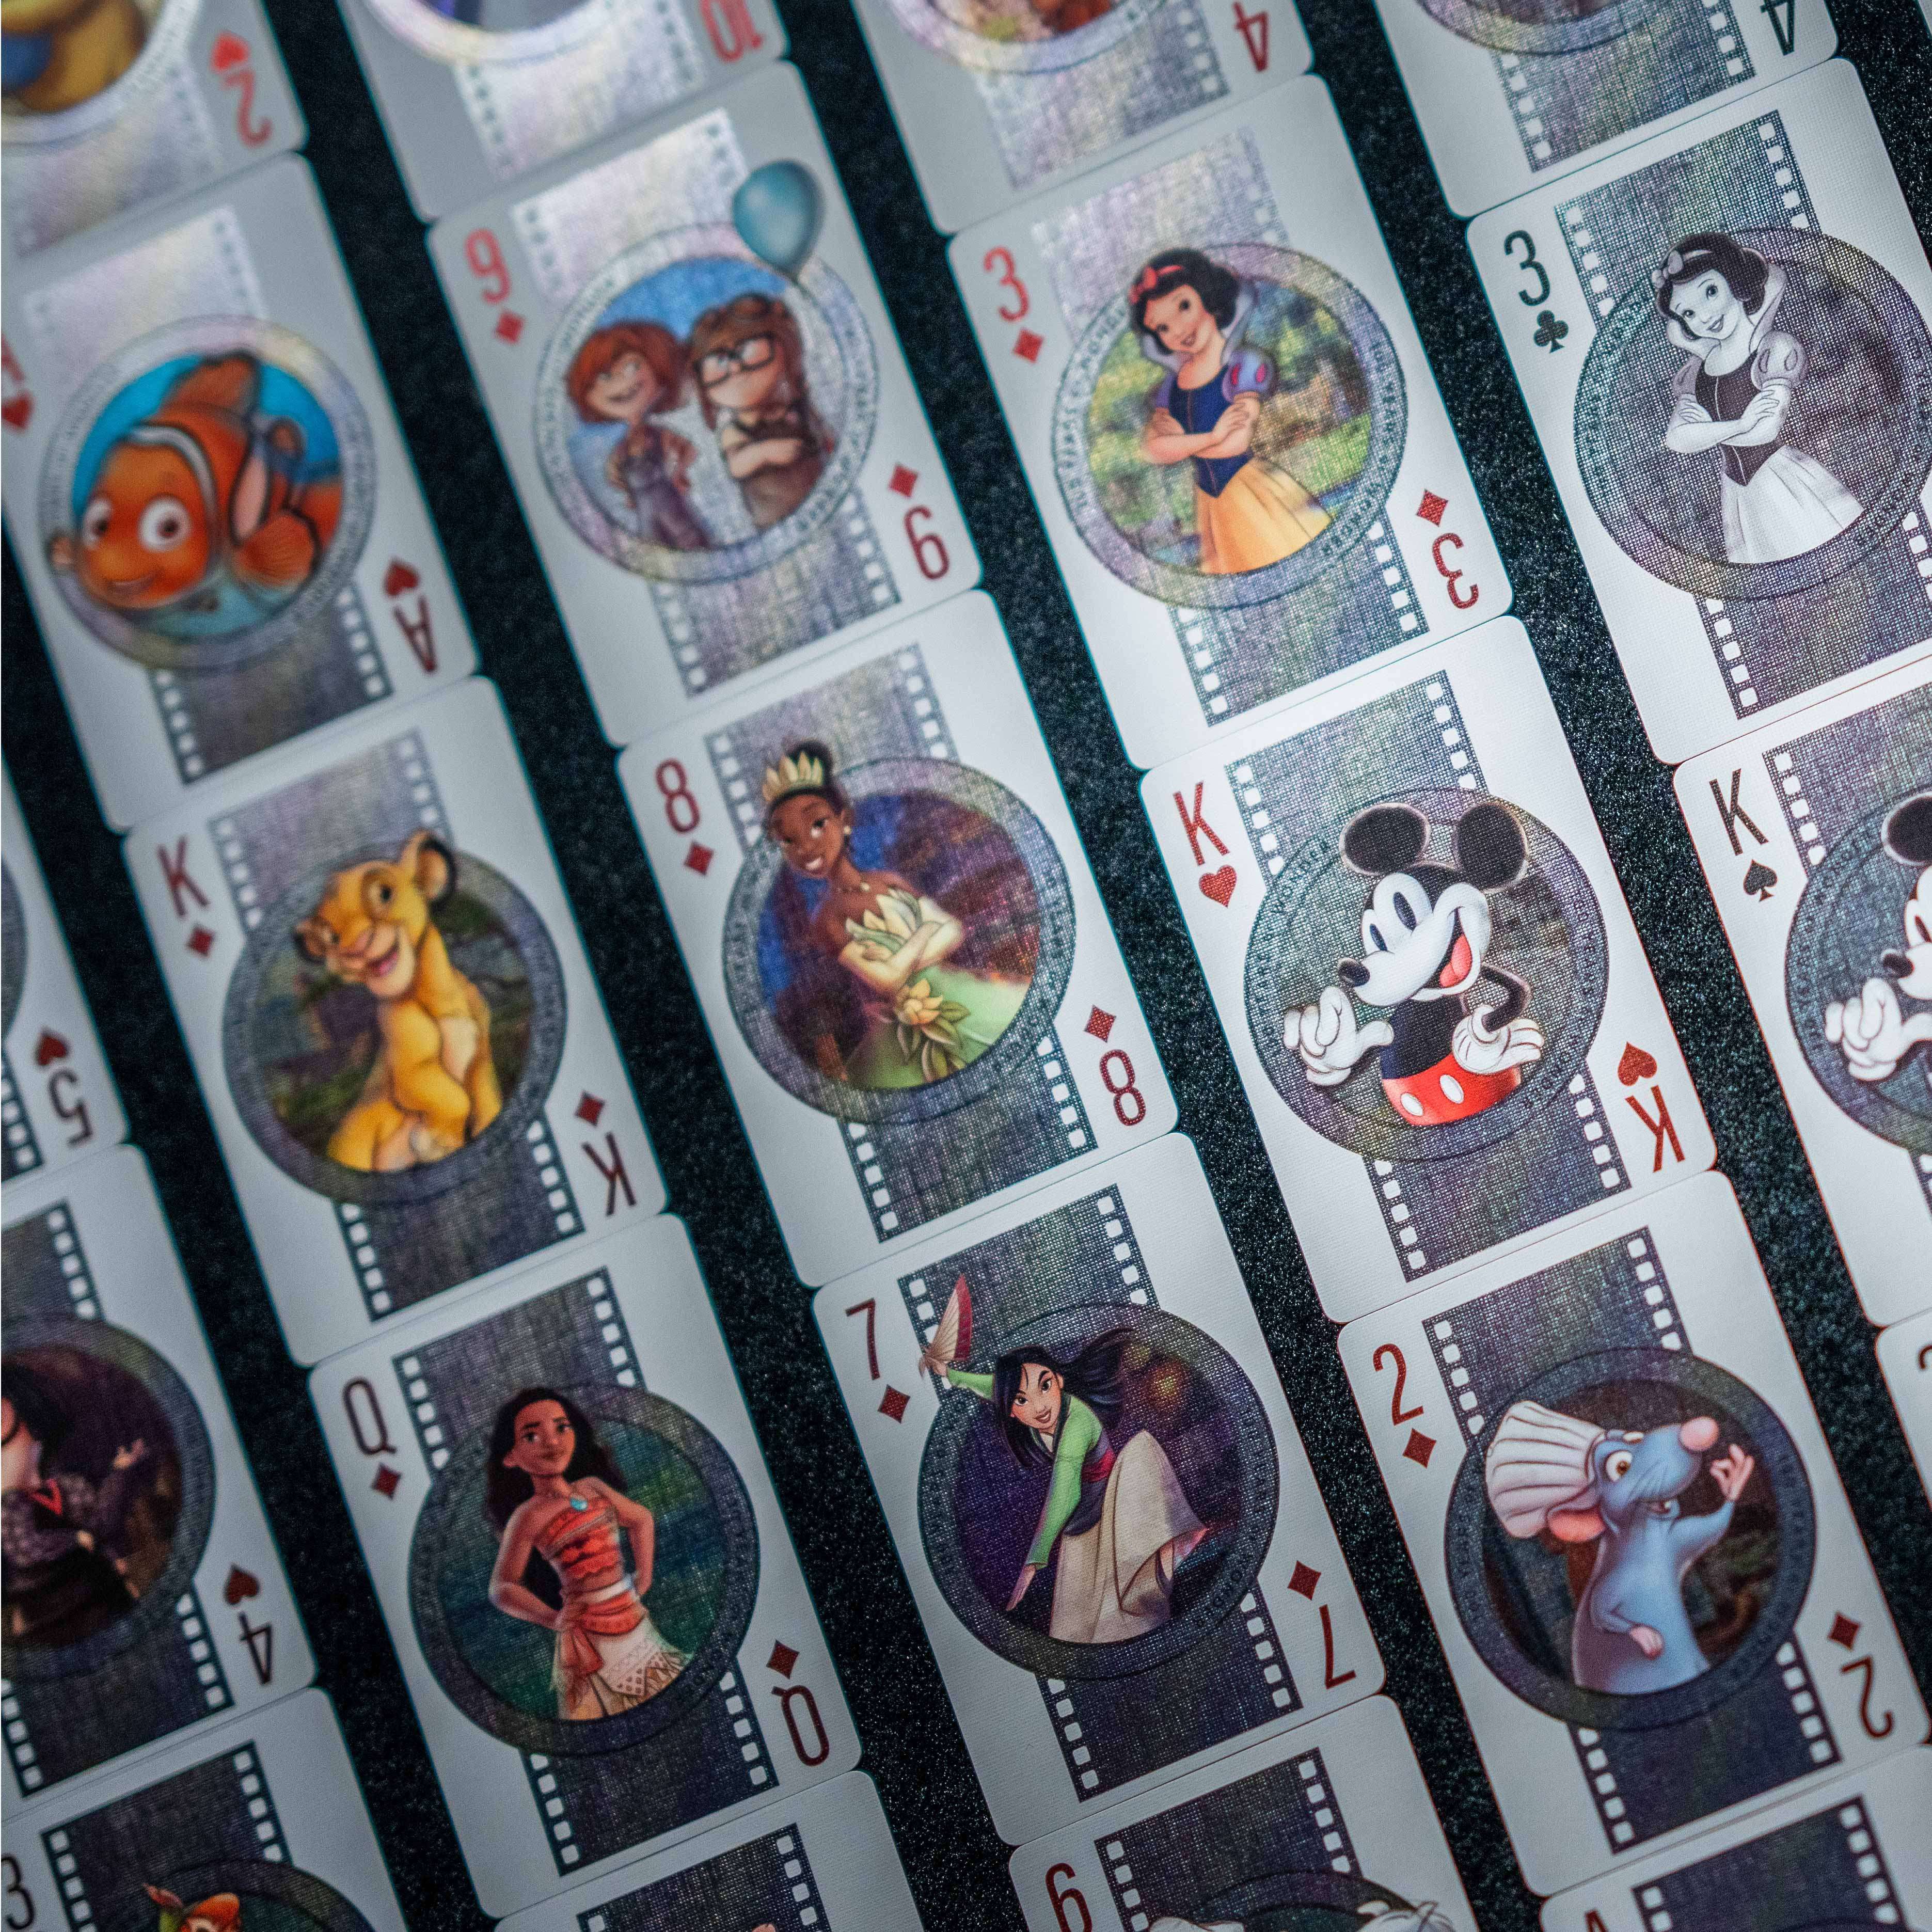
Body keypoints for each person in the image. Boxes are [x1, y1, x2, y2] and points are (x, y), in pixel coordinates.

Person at [921, 1308, 1209, 1645]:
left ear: (1058, 1380)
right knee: (1078, 1630)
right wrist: (949, 1373)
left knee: (1129, 1603)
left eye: (1045, 1386)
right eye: (1022, 1400)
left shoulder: (1076, 1424)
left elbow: (1065, 1491)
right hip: (1083, 1519)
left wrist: (1033, 1563)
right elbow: (990, 1386)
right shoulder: (1021, 1405)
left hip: (1118, 1500)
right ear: (1011, 1408)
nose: (1040, 1406)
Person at [760, 741, 1028, 1088]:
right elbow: (887, 981)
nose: (806, 847)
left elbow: (953, 930)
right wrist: (924, 934)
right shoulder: (827, 920)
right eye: (788, 840)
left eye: (817, 825)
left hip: (959, 990)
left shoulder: (887, 881)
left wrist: (903, 958)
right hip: (905, 1030)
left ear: (844, 820)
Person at [1652, 232, 1863, 565]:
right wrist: (1740, 424)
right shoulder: (1695, 373)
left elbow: (1766, 430)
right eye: (1688, 313)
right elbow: (1677, 438)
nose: (1704, 317)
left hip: (1780, 480)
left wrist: (1709, 432)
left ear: (1735, 281)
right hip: (1737, 494)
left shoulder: (1772, 348)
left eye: (1710, 292)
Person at [484, 1387, 687, 1721]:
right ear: (511, 1457)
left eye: (562, 1428)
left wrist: (644, 1577)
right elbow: (502, 1587)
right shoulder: (527, 1516)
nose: (553, 1442)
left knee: (667, 1699)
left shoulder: (592, 1487)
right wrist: (552, 1618)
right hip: (587, 1633)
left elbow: (641, 1520)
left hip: (631, 1614)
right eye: (532, 1436)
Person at [1129, 248, 1331, 576]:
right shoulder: (1170, 389)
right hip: (1209, 506)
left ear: (1208, 297)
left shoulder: (1243, 366)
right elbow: (1153, 449)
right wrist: (1213, 436)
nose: (1178, 329)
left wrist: (1185, 445)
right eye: (1163, 327)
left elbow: (1236, 443)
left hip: (1250, 493)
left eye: (1183, 306)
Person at [2, 1364, 150, 1646]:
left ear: (34, 1429)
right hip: (47, 1622)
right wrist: (75, 1539)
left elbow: (101, 1523)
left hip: (105, 1605)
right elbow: (25, 1548)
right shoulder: (9, 1509)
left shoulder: (69, 1487)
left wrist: (120, 1474)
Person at [566, 321, 712, 552]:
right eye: (604, 377)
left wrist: (678, 473)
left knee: (689, 540)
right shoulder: (621, 449)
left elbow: (688, 450)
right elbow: (614, 474)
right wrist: (628, 491)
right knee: (655, 547)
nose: (621, 383)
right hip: (645, 511)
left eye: (631, 368)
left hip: (671, 504)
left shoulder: (661, 433)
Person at [690, 294, 832, 531]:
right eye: (720, 361)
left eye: (746, 350)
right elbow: (736, 465)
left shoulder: (796, 408)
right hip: (774, 520)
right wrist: (765, 453)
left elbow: (824, 436)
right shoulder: (735, 431)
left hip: (820, 499)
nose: (735, 368)